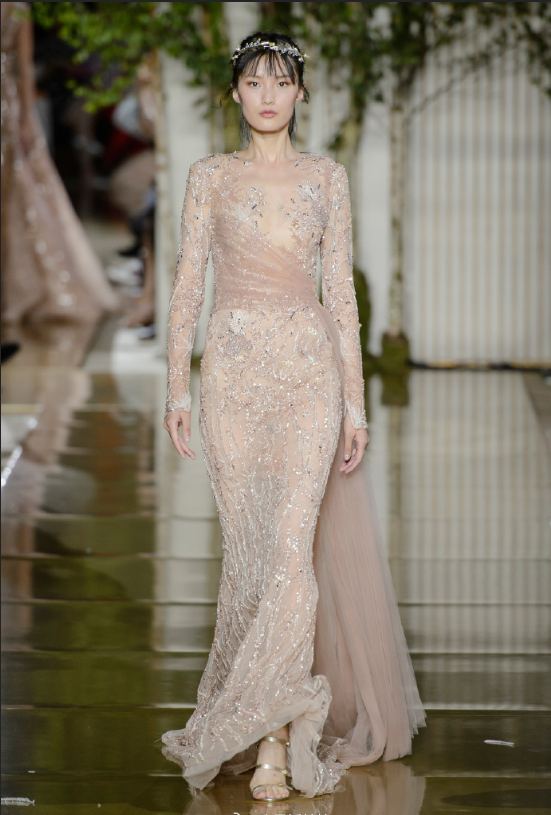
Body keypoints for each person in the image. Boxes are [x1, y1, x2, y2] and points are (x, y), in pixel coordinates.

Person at [161, 32, 426, 803]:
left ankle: (276, 738)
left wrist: (355, 403)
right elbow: (187, 285)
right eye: (254, 81)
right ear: (234, 93)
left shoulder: (325, 178)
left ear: (301, 92)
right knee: (250, 559)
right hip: (233, 376)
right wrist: (177, 390)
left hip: (308, 375)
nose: (268, 94)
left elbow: (338, 292)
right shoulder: (209, 176)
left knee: (288, 553)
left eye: (281, 81)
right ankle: (253, 716)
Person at [1, 1, 119, 346]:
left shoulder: (18, 7)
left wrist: (26, 119)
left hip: (6, 108)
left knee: (9, 199)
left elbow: (24, 67)